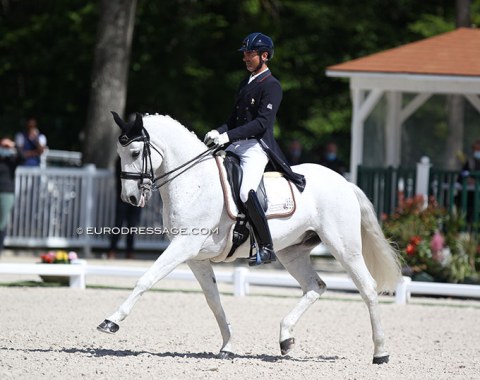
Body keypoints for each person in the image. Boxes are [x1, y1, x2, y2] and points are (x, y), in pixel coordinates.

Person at [204, 32, 305, 266]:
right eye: (245, 54)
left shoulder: (272, 85)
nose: (245, 58)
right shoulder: (245, 83)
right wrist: (216, 133)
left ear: (264, 56)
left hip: (256, 148)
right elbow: (233, 121)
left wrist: (226, 136)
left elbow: (261, 124)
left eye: (250, 54)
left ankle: (266, 246)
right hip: (237, 144)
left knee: (244, 191)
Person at [108, 157, 142, 259]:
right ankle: (112, 250)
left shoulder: (140, 162)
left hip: (136, 198)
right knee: (118, 225)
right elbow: (120, 179)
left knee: (132, 226)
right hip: (123, 197)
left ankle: (129, 251)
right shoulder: (121, 159)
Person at [0, 137, 24, 255]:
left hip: (6, 193)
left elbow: (23, 157)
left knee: (2, 222)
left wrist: (13, 145)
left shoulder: (11, 161)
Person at [457, 139, 480, 223]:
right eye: (476, 149)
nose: (478, 152)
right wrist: (469, 179)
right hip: (470, 197)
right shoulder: (470, 162)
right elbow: (463, 174)